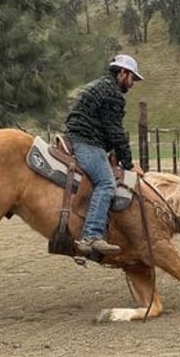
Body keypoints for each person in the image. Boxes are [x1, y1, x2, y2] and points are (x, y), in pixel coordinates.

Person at [64, 53, 145, 255]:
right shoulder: (112, 94)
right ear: (122, 73)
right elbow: (115, 131)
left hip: (82, 136)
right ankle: (91, 236)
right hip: (87, 141)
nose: (132, 83)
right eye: (132, 77)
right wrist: (129, 163)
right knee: (106, 182)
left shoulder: (100, 85)